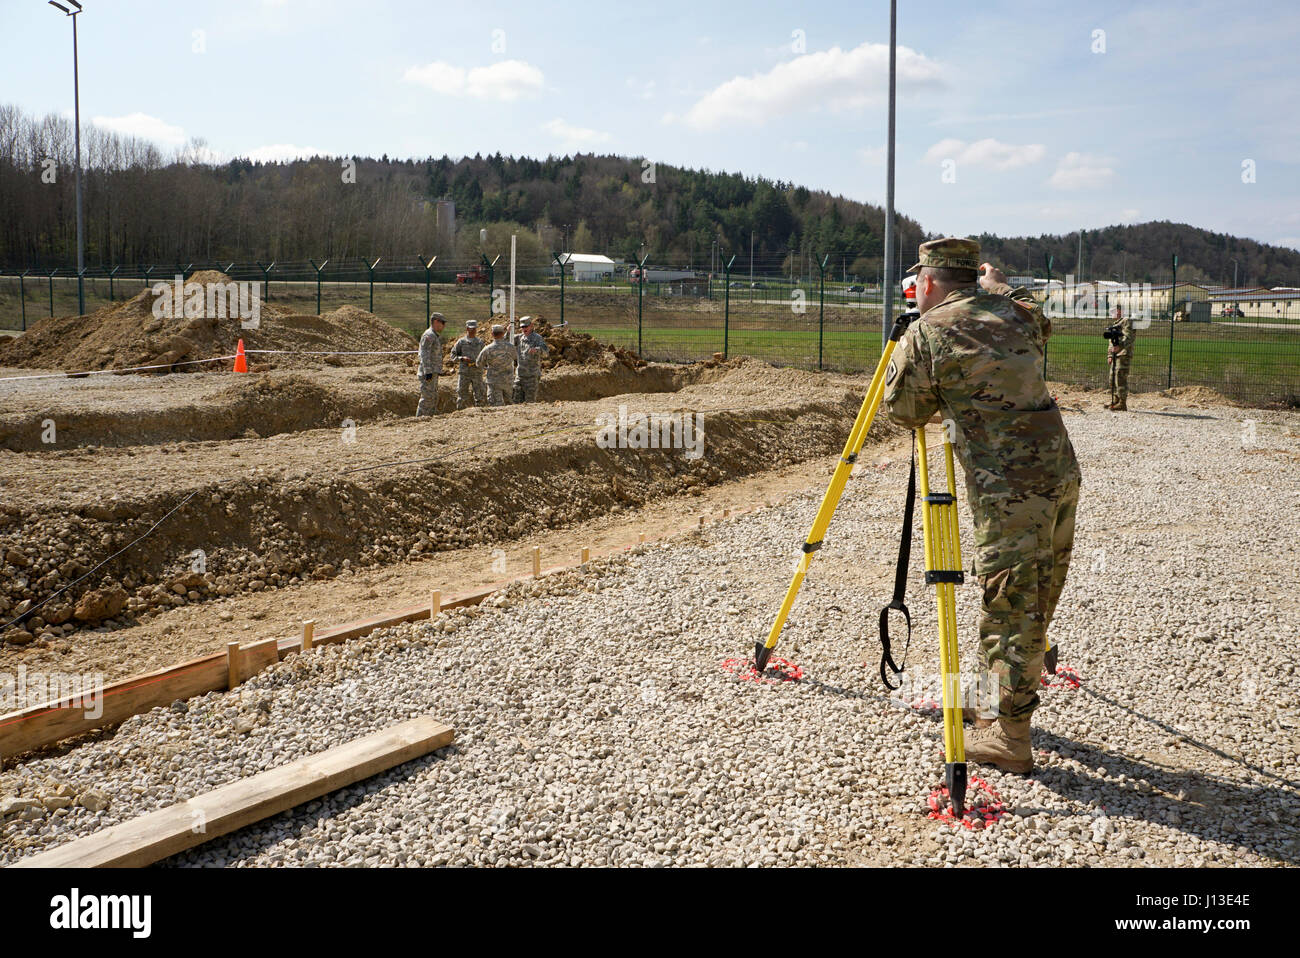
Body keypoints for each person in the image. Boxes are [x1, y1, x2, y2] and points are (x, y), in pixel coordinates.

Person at [882, 237, 1081, 774]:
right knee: (1033, 596)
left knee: (1013, 605)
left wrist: (906, 348)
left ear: (925, 283)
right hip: (1058, 474)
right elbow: (1035, 310)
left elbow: (903, 411)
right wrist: (995, 285)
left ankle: (1011, 736)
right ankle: (993, 699)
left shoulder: (928, 333)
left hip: (1010, 491)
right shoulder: (1020, 312)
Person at [475, 323, 518, 406]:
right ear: (502, 333)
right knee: (509, 405)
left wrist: (487, 367)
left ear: (492, 334)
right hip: (508, 381)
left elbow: (478, 363)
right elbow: (515, 357)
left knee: (496, 407)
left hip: (494, 382)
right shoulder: (510, 347)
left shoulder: (487, 349)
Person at [450, 319, 487, 409]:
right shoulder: (461, 342)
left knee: (479, 395)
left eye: (475, 328)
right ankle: (460, 413)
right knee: (462, 395)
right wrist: (461, 358)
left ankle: (480, 413)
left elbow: (485, 356)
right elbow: (452, 355)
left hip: (477, 372)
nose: (473, 330)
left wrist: (482, 363)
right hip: (464, 373)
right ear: (467, 329)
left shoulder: (480, 342)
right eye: (471, 328)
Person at [511, 316, 550, 403]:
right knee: (516, 402)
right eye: (522, 327)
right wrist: (508, 332)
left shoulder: (537, 338)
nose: (524, 329)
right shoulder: (519, 338)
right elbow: (505, 341)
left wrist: (537, 350)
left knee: (530, 403)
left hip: (531, 377)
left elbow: (546, 352)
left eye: (526, 326)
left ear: (531, 326)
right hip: (520, 376)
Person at [416, 312, 446, 416]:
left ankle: (428, 419)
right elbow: (424, 354)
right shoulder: (429, 335)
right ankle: (419, 420)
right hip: (428, 373)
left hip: (433, 372)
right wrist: (428, 371)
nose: (444, 326)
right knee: (427, 399)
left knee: (432, 397)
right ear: (436, 322)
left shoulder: (434, 335)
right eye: (442, 322)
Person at [1106, 304, 1135, 411]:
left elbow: (1128, 337)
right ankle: (1115, 400)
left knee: (1120, 377)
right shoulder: (1116, 324)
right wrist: (1110, 354)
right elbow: (1112, 342)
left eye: (1112, 311)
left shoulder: (1126, 321)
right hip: (1115, 354)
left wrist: (1120, 347)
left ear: (1119, 311)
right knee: (1112, 377)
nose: (1110, 314)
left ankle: (1122, 402)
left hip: (1123, 353)